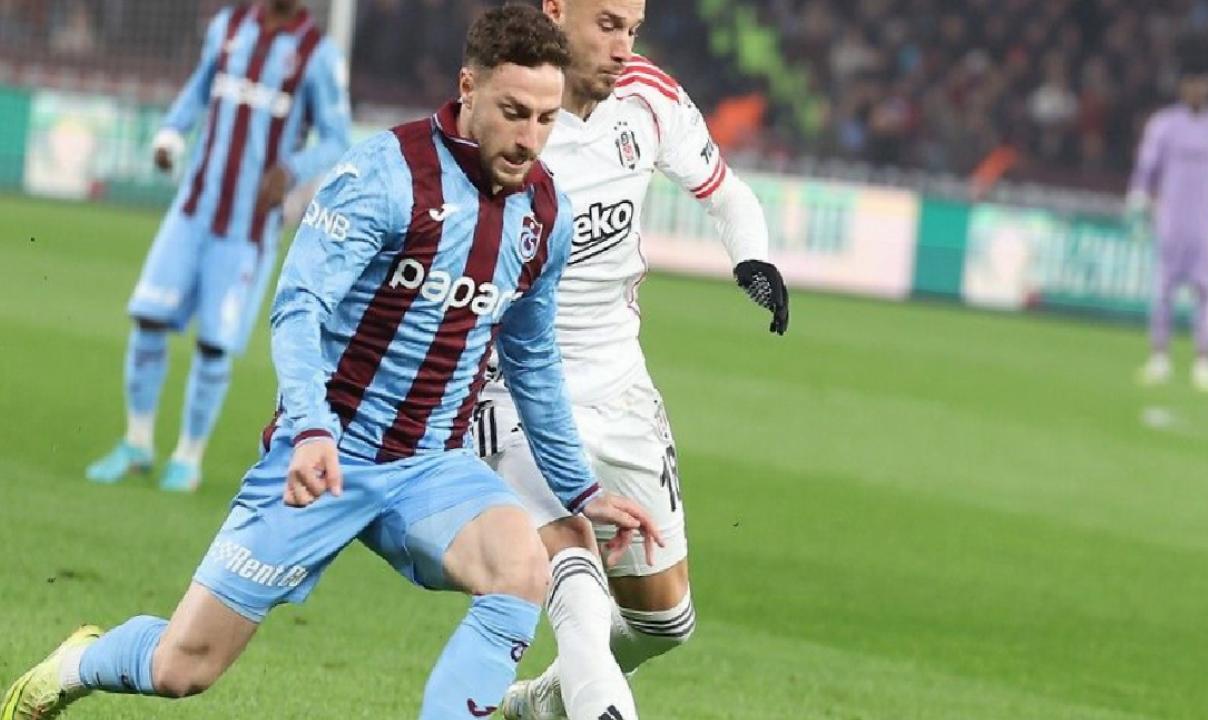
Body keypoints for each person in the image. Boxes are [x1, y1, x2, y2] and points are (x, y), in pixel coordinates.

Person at [1, 7, 661, 720]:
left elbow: (531, 359)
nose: (530, 138)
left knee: (522, 566)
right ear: (468, 88)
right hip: (325, 455)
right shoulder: (384, 173)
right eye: (513, 113)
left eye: (546, 118)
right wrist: (311, 428)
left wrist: (579, 490)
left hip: (431, 468)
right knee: (181, 668)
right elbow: (299, 307)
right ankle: (76, 663)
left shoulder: (545, 215)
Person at [482, 2, 789, 718]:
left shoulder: (649, 97)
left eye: (633, 29)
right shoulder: (510, 110)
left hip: (620, 385)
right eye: (607, 24)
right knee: (574, 570)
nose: (623, 46)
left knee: (664, 621)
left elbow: (727, 193)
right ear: (556, 10)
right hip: (513, 384)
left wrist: (753, 260)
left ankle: (540, 705)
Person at [85, 0, 351, 491]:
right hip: (192, 210)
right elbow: (200, 87)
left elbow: (337, 138)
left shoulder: (317, 54)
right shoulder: (229, 26)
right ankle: (137, 443)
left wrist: (291, 169)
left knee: (214, 344)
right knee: (148, 318)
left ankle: (188, 458)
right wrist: (171, 132)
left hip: (246, 228)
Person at [1129, 37, 1208, 393]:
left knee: (1204, 290)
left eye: (1202, 83)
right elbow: (1147, 165)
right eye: (1191, 82)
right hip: (1171, 218)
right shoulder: (1163, 124)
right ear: (1181, 86)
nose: (1197, 89)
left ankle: (1204, 361)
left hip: (1204, 221)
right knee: (1162, 290)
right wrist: (1138, 195)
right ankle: (1159, 358)